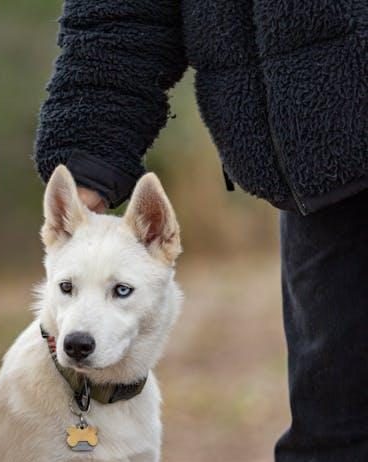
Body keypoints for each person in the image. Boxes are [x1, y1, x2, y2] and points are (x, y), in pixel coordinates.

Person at [32, 1, 368, 461]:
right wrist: (87, 159)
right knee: (335, 435)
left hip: (325, 167)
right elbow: (121, 17)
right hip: (325, 177)